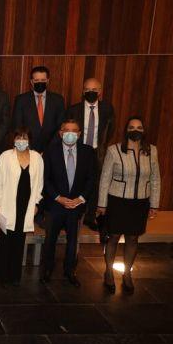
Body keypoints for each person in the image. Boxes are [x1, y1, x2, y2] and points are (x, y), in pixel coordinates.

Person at [97, 116, 160, 294]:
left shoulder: (152, 151)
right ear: (126, 130)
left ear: (144, 130)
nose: (136, 130)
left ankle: (127, 274)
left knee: (133, 238)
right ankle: (108, 272)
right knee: (114, 237)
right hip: (117, 201)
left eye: (139, 127)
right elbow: (105, 179)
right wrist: (102, 204)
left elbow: (155, 178)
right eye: (132, 127)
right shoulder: (114, 150)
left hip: (140, 202)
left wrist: (154, 203)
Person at [40, 120, 96, 287]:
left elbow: (91, 179)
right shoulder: (50, 152)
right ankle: (47, 270)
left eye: (74, 131)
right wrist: (58, 197)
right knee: (50, 240)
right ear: (60, 132)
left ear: (79, 134)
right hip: (55, 205)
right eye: (66, 130)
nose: (70, 133)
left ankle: (70, 271)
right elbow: (45, 179)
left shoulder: (88, 152)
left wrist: (80, 199)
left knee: (73, 241)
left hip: (76, 205)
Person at [0, 128, 44, 286]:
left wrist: (36, 203)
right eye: (18, 137)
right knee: (5, 241)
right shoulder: (5, 156)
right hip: (7, 205)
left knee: (19, 241)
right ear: (13, 140)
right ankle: (2, 277)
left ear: (29, 139)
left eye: (25, 137)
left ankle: (15, 276)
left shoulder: (37, 158)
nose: (21, 140)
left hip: (26, 205)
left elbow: (39, 183)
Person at [66, 78, 115, 234]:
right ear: (83, 91)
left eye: (94, 89)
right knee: (76, 181)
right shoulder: (74, 109)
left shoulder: (107, 109)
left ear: (100, 91)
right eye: (87, 89)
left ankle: (90, 216)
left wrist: (101, 147)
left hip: (97, 151)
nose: (91, 92)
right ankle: (74, 215)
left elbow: (110, 130)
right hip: (78, 149)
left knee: (95, 184)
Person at [12, 66, 65, 153]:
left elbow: (61, 126)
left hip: (51, 149)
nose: (40, 83)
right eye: (36, 80)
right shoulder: (21, 100)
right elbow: (18, 126)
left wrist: (49, 148)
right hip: (27, 149)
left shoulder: (58, 100)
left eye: (43, 80)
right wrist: (28, 147)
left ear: (48, 81)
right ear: (31, 82)